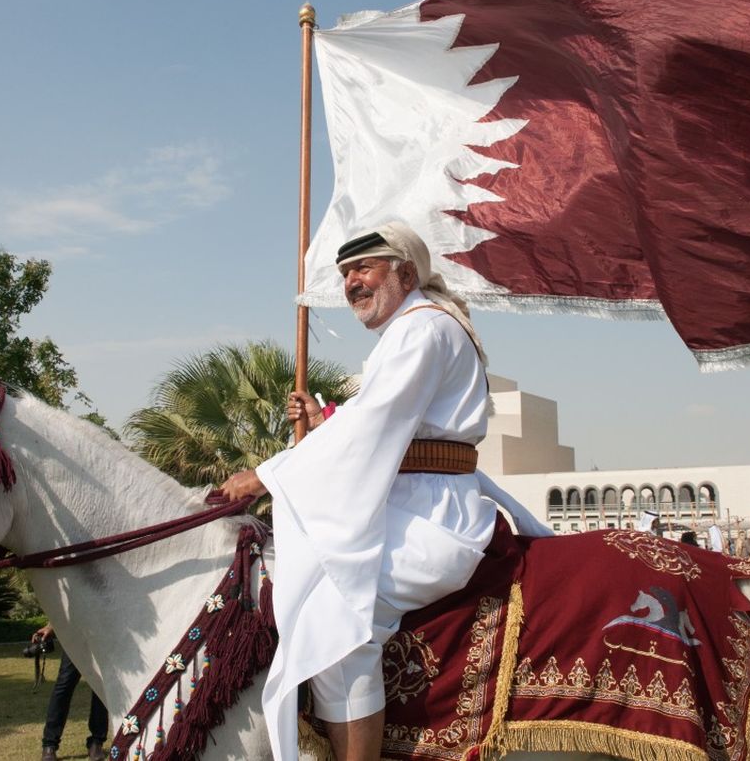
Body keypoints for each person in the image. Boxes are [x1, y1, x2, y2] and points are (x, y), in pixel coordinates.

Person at [220, 221, 548, 761]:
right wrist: (325, 423)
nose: (351, 283)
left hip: (433, 518)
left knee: (337, 620)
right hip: (408, 504)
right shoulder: (414, 330)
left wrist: (266, 475)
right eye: (346, 273)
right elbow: (381, 425)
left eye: (363, 269)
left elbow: (373, 427)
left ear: (406, 273)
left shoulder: (422, 328)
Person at [32, 624, 109, 761]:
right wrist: (52, 625)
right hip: (76, 636)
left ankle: (96, 743)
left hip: (102, 634)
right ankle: (49, 744)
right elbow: (68, 605)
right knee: (64, 686)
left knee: (100, 688)